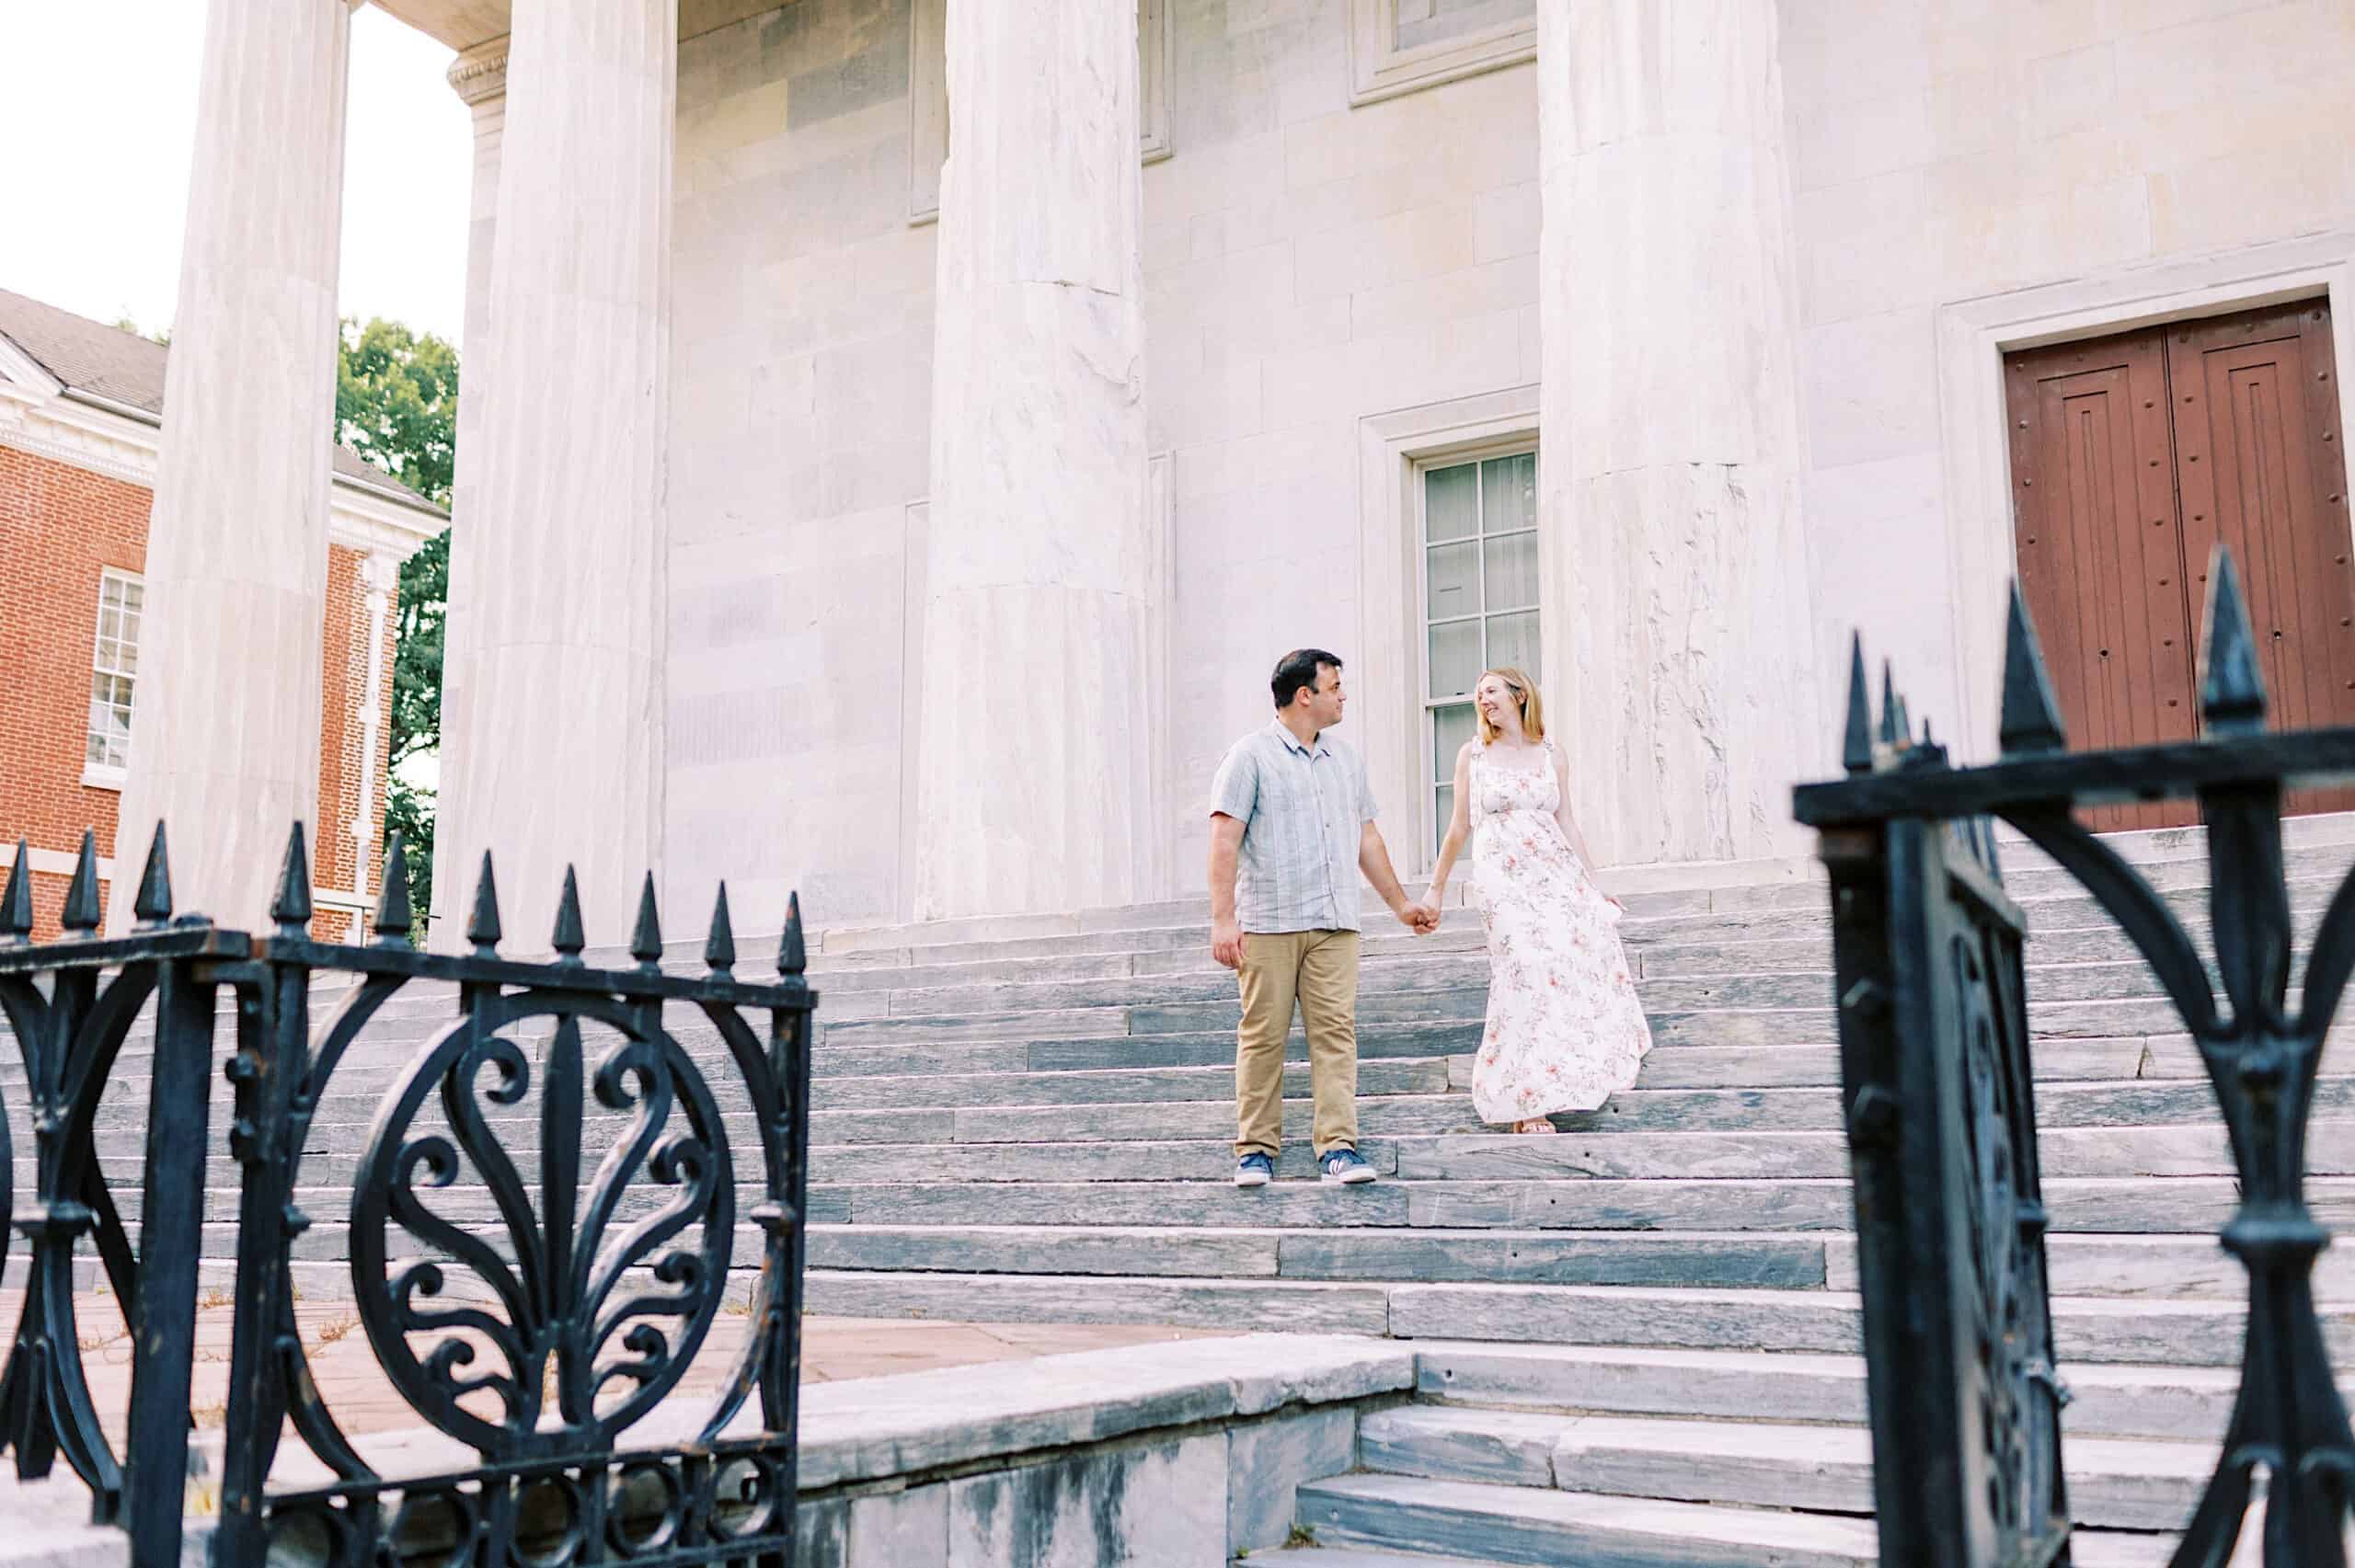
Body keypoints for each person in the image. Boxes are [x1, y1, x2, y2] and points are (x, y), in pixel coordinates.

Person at [1209, 648, 1437, 1188]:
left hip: (1335, 921)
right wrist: (1223, 919)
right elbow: (1224, 839)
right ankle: (1255, 1151)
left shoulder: (1346, 759)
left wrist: (1401, 905)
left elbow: (1367, 838)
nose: (1343, 697)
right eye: (1334, 687)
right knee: (1263, 1036)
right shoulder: (1250, 756)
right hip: (1269, 921)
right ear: (1304, 694)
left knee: (1336, 1034)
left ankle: (1337, 1148)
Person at [1423, 667, 1650, 1133]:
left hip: (1554, 874)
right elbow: (1458, 829)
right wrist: (1436, 888)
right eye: (1478, 694)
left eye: (1490, 691)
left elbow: (1566, 820)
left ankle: (1564, 1072)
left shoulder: (1552, 754)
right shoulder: (1474, 756)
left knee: (1568, 963)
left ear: (1519, 695)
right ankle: (1525, 1103)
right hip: (1502, 880)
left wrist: (1594, 882)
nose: (1482, 700)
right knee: (1524, 970)